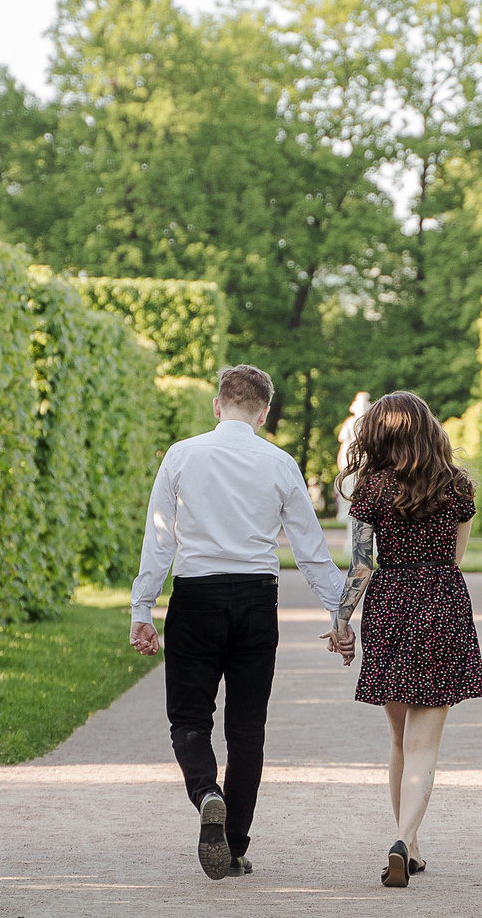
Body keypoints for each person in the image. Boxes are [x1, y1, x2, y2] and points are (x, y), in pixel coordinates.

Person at [131, 364, 348, 880]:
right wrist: (339, 614)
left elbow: (159, 538)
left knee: (189, 719)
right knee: (247, 728)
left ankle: (207, 791)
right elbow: (310, 549)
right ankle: (234, 845)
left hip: (196, 597)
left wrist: (142, 608)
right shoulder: (279, 463)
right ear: (264, 413)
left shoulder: (181, 455)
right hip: (256, 600)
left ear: (217, 405)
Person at [328, 392, 482, 888]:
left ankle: (408, 844)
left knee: (398, 740)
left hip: (390, 608)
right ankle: (405, 841)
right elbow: (455, 560)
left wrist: (341, 620)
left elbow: (360, 566)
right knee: (423, 746)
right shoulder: (457, 486)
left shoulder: (370, 489)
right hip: (441, 606)